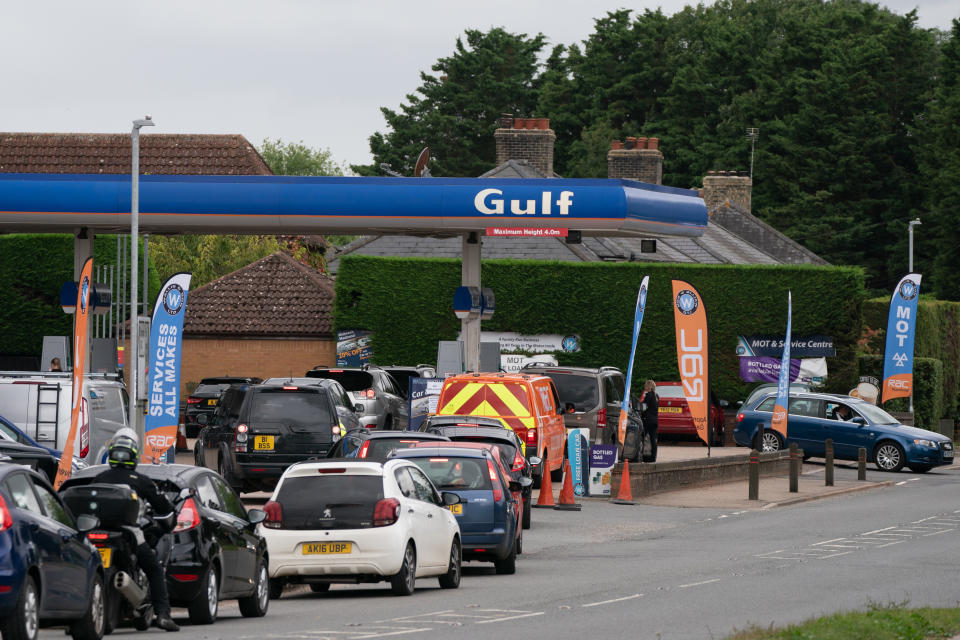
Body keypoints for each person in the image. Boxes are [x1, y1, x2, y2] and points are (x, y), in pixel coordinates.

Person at [94, 428, 180, 632]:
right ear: (133, 456)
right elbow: (164, 507)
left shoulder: (99, 478)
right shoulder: (140, 481)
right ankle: (163, 615)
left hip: (94, 533)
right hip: (129, 534)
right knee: (154, 569)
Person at [639, 380, 659, 462]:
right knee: (653, 439)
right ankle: (653, 457)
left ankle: (641, 456)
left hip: (648, 420)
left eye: (645, 386)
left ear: (649, 386)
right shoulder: (656, 396)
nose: (644, 387)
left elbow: (644, 407)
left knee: (642, 438)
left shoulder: (648, 395)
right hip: (655, 420)